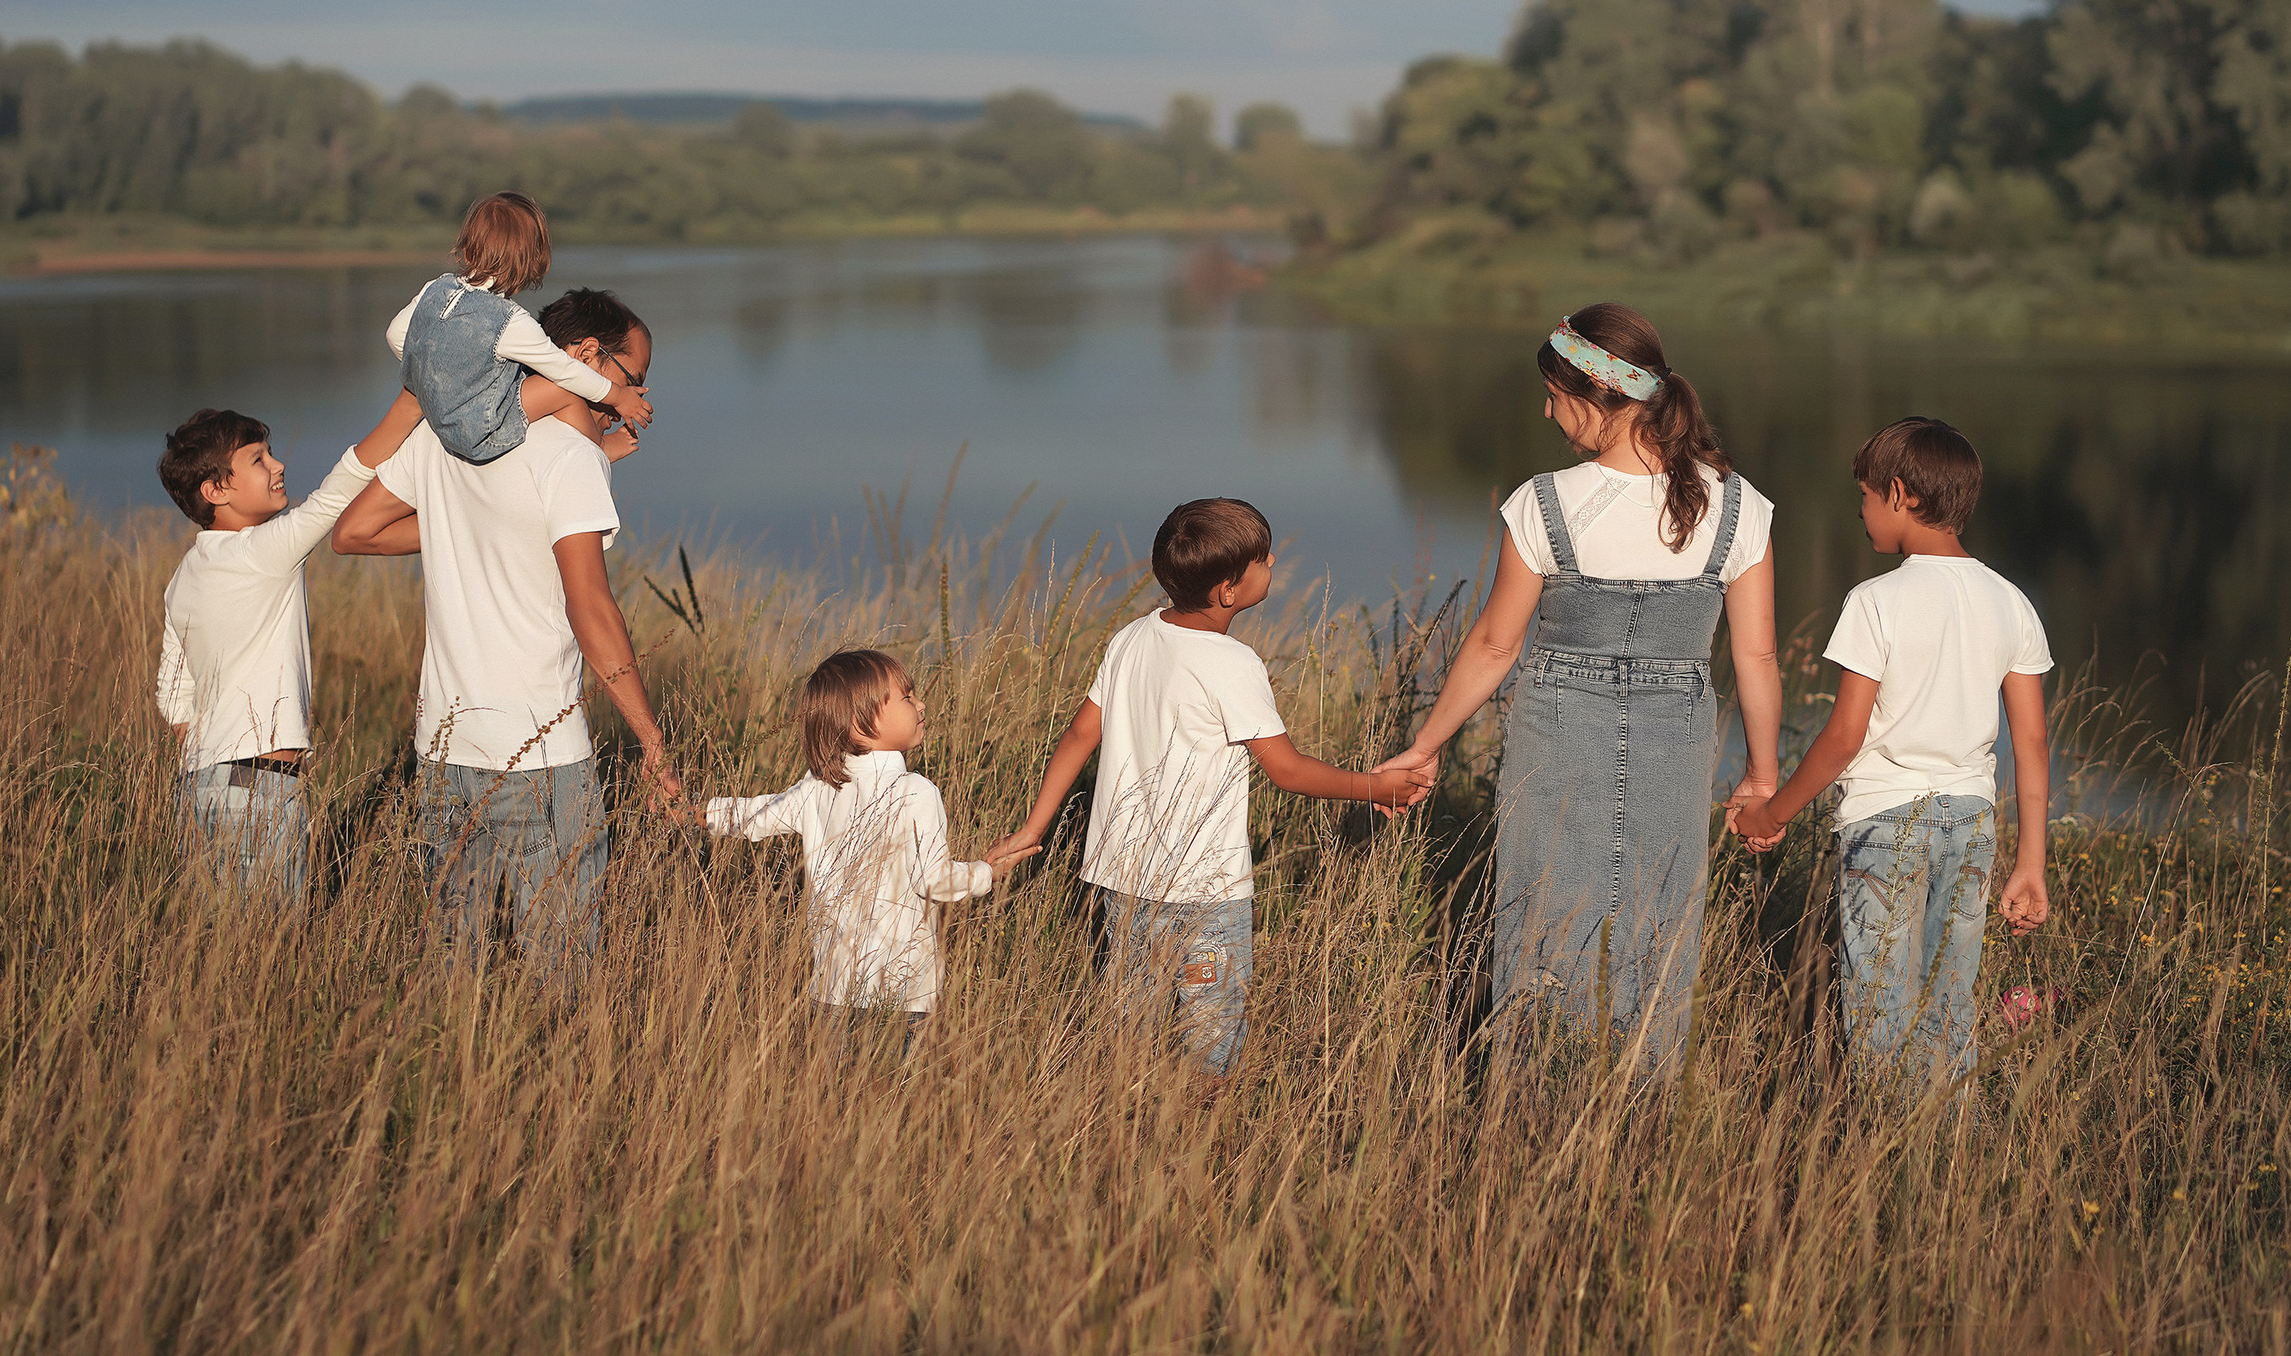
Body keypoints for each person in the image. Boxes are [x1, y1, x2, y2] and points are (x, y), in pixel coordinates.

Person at [1379, 304, 1782, 1064]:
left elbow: (1496, 644)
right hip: (1677, 733)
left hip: (1556, 723)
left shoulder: (1545, 501)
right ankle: (1642, 1101)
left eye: (1554, 394)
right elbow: (1757, 658)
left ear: (1596, 395)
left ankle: (1532, 1091)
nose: (1546, 411)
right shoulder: (1738, 504)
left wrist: (1425, 746)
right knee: (1662, 913)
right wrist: (1762, 776)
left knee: (1542, 909)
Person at [987, 498, 1430, 1079]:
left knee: (1131, 1033)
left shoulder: (1130, 638)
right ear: (1227, 590)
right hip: (1205, 891)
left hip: (1123, 881)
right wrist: (1374, 787)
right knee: (1210, 1047)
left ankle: (1125, 1119)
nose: (1273, 564)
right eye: (1263, 560)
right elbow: (1288, 771)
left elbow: (1077, 737)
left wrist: (1034, 826)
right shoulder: (1232, 662)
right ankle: (1201, 1126)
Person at [331, 287, 681, 987]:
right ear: (586, 356)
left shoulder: (448, 435)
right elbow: (591, 607)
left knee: (452, 965)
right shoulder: (570, 457)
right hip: (540, 754)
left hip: (442, 750)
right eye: (633, 377)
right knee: (562, 970)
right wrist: (651, 739)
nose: (636, 398)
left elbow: (354, 532)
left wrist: (462, 522)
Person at [1733, 417, 2052, 1082]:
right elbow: (2031, 742)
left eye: (1867, 496)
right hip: (1972, 825)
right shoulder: (2011, 601)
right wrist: (2031, 863)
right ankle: (1947, 1139)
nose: (1861, 511)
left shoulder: (1875, 600)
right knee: (1949, 1005)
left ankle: (1884, 1137)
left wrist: (1773, 812)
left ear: (1901, 494)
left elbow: (1843, 738)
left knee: (1881, 1014)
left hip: (1884, 826)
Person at [684, 650, 1033, 1053]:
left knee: (835, 1089)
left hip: (833, 990)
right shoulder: (916, 791)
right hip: (904, 994)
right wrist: (986, 872)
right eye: (907, 697)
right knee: (896, 1089)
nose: (921, 704)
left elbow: (757, 816)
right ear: (859, 723)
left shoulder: (818, 786)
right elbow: (935, 881)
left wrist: (696, 814)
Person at [154, 391, 424, 902]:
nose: (278, 465)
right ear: (215, 490)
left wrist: (218, 757)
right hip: (260, 784)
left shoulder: (184, 576)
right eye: (258, 459)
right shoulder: (263, 550)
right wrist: (411, 405)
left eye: (270, 453)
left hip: (198, 786)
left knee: (221, 940)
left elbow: (173, 698)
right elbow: (337, 491)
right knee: (270, 938)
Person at [387, 189, 653, 465]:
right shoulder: (510, 321)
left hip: (438, 414)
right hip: (478, 433)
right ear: (533, 262)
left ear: (467, 248)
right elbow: (564, 369)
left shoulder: (436, 288)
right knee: (561, 389)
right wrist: (618, 395)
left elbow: (396, 335)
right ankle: (599, 448)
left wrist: (439, 376)